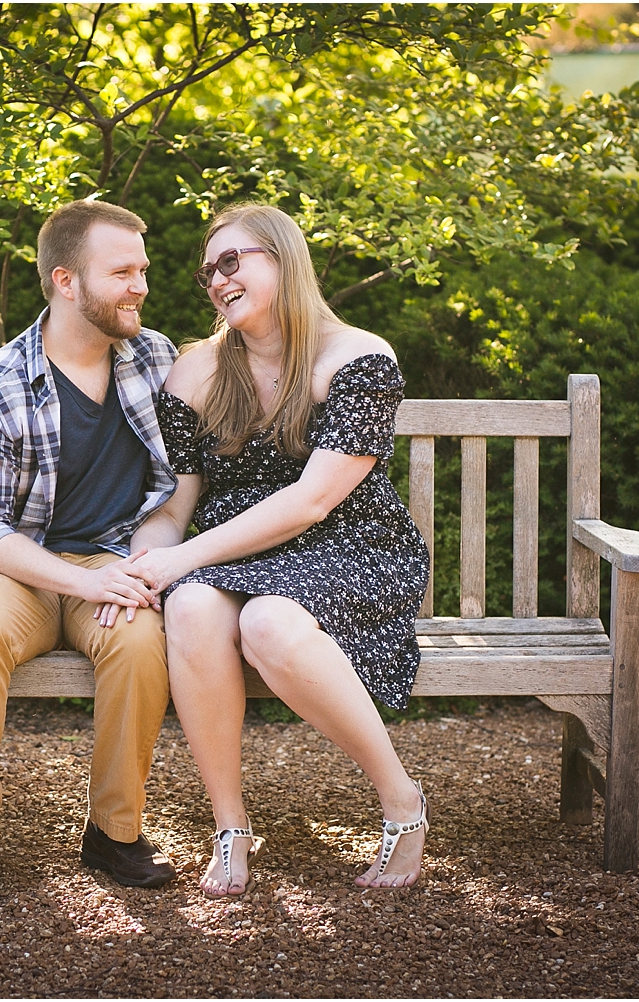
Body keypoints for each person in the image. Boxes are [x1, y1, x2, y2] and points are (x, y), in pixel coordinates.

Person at [128, 203, 432, 896]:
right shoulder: (196, 370)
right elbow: (177, 504)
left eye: (232, 261)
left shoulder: (357, 357)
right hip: (233, 554)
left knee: (265, 621)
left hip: (350, 545)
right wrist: (149, 559)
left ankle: (402, 803)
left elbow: (313, 501)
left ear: (284, 258)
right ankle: (231, 827)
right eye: (208, 270)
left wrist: (186, 557)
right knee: (195, 607)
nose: (216, 279)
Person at [0, 199, 187, 898]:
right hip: (18, 568)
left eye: (143, 270)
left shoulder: (155, 358)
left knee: (139, 641)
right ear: (67, 282)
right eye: (122, 272)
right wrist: (79, 586)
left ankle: (114, 833)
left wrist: (122, 573)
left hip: (111, 561)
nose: (141, 286)